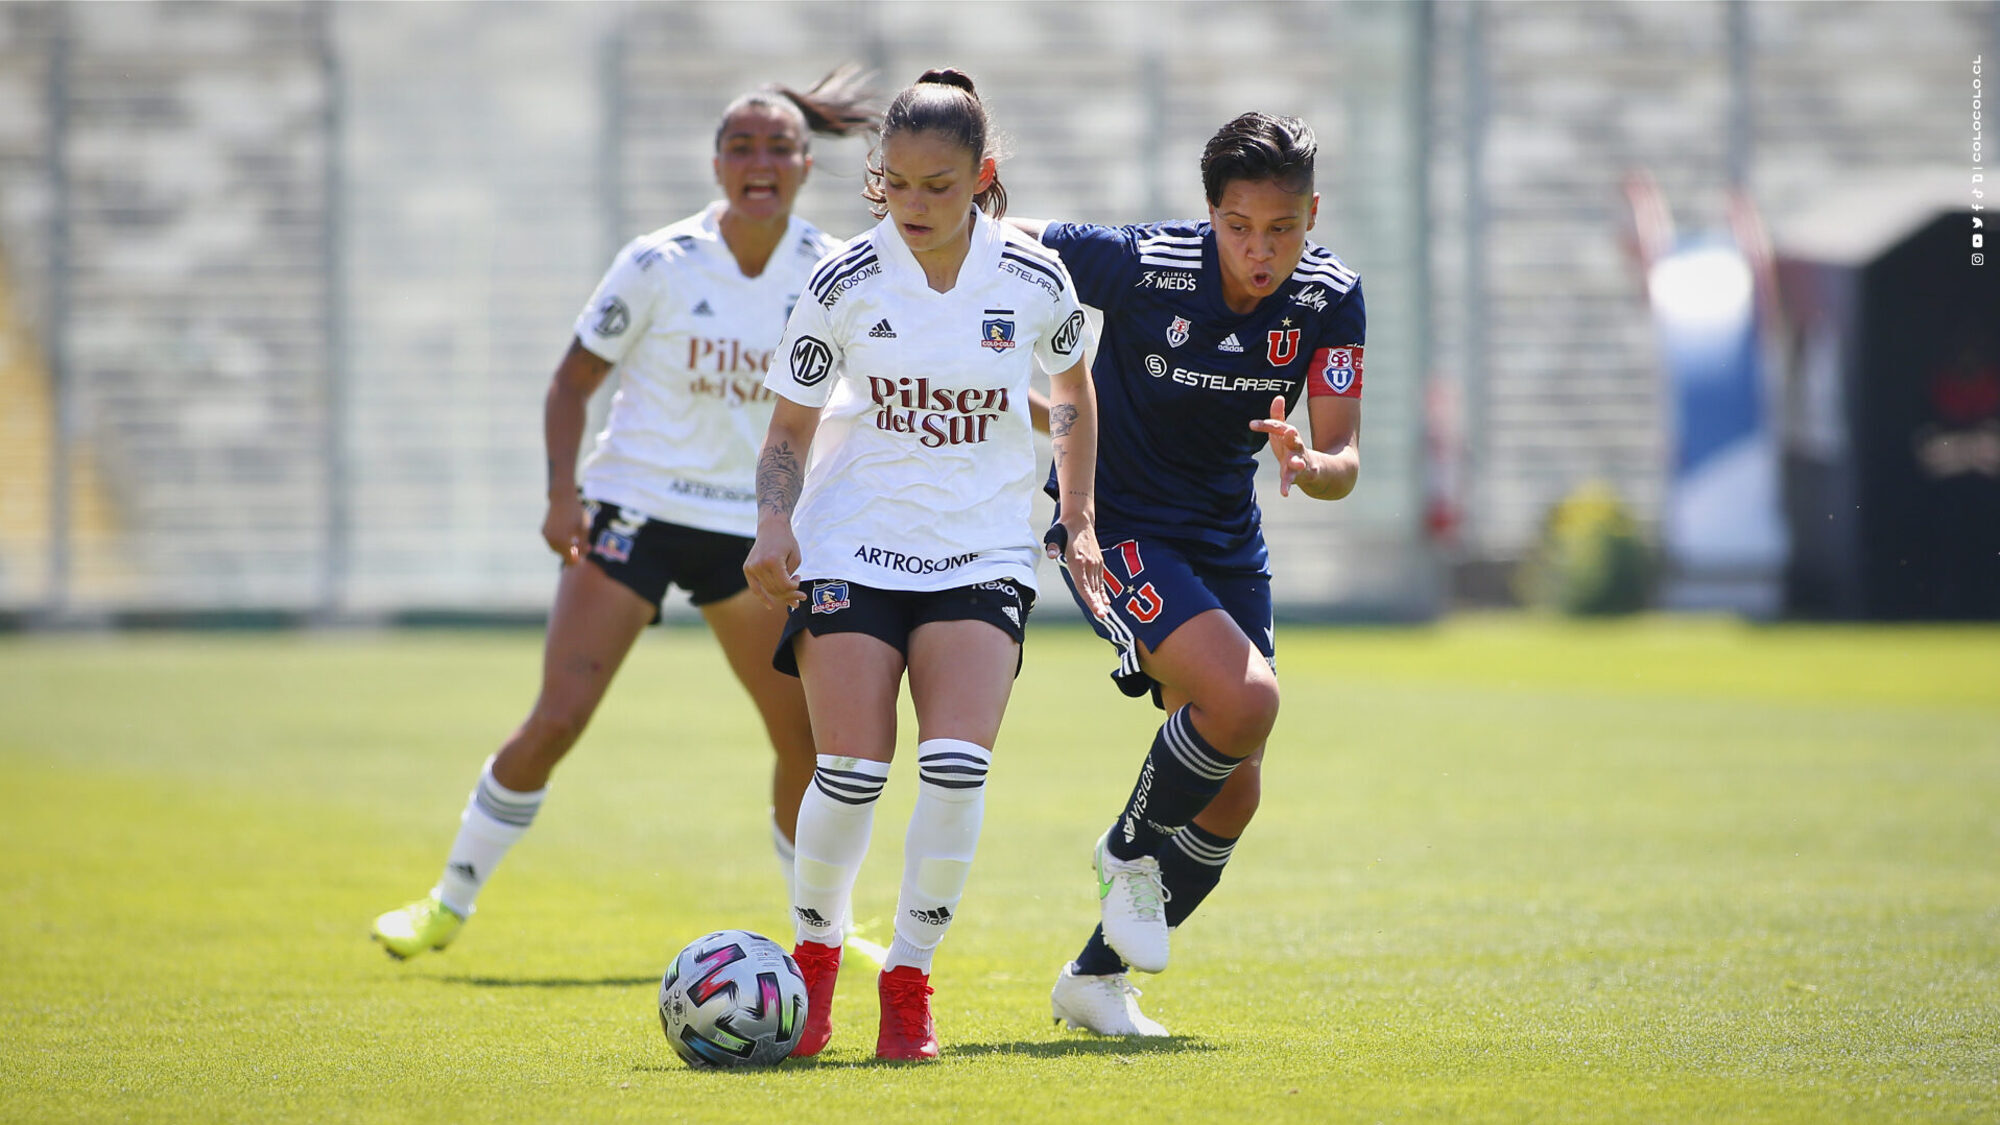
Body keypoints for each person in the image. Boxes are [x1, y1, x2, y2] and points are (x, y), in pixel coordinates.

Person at [370, 69, 880, 961]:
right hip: (635, 510)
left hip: (751, 529)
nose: (759, 162)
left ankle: (823, 932)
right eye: (741, 146)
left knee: (800, 737)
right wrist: (561, 493)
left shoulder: (832, 271)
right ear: (718, 162)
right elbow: (572, 381)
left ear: (805, 163)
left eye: (777, 147)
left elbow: (894, 383)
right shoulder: (659, 262)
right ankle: (447, 900)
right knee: (558, 717)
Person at [743, 67, 1107, 1061]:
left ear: (981, 175)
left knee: (953, 768)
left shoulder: (1031, 280)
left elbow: (1070, 388)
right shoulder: (843, 282)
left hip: (980, 548)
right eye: (895, 183)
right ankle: (815, 966)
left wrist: (1073, 517)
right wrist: (772, 521)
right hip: (853, 541)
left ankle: (906, 980)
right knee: (853, 771)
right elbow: (787, 427)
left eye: (938, 186)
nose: (913, 205)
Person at [1011, 111, 1364, 1036]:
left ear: (1313, 213)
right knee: (1248, 703)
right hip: (1119, 531)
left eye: (1283, 229)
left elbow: (1343, 459)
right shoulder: (1145, 264)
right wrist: (928, 205)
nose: (1262, 250)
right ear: (1210, 214)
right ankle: (1124, 851)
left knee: (1236, 787)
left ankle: (1094, 977)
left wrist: (1309, 463)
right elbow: (1012, 238)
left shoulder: (1330, 296)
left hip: (1224, 538)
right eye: (1241, 227)